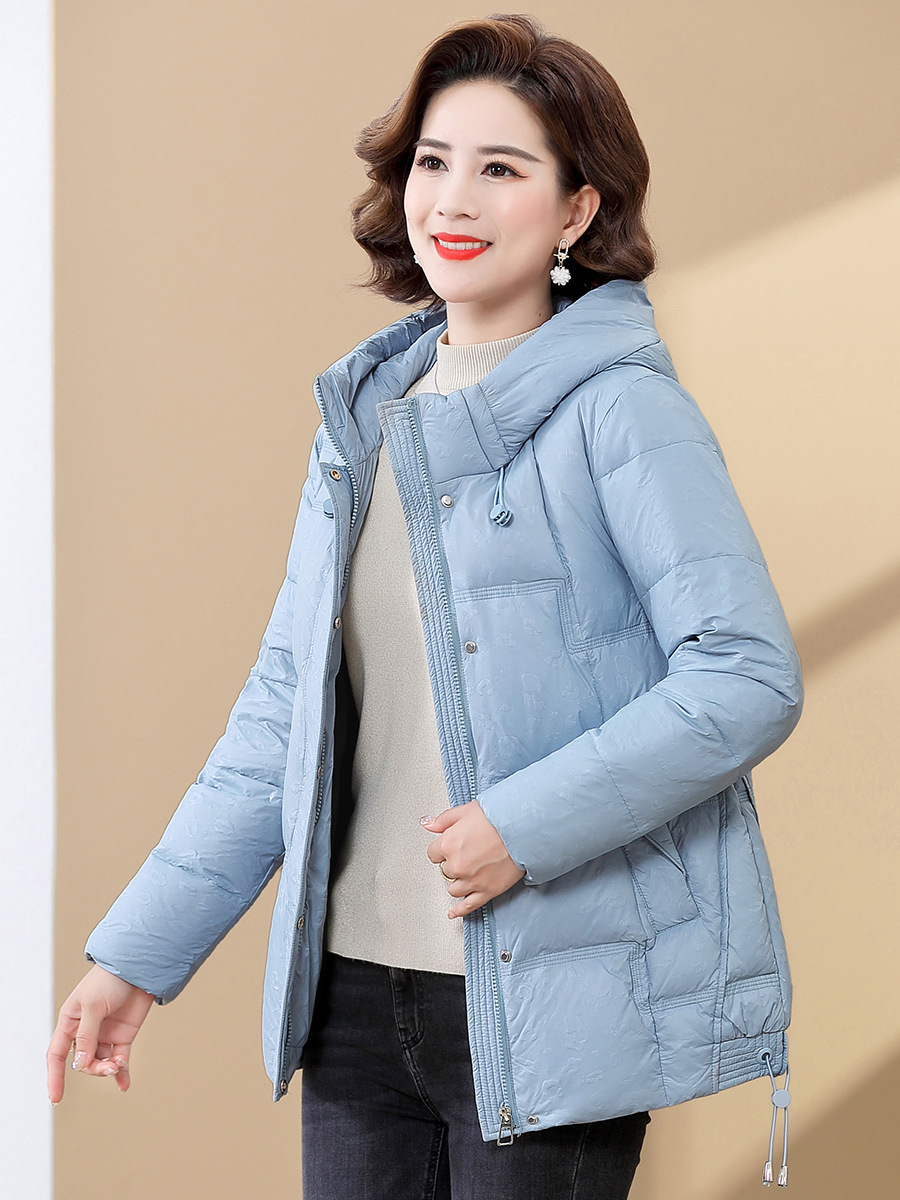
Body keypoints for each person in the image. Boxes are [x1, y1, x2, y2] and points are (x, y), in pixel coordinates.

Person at [47, 14, 803, 1198]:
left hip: (549, 1003)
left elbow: (745, 676)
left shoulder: (623, 411)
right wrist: (137, 956)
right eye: (433, 161)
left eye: (502, 168)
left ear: (578, 211)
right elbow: (283, 716)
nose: (452, 197)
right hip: (352, 1006)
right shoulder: (366, 423)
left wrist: (521, 826)